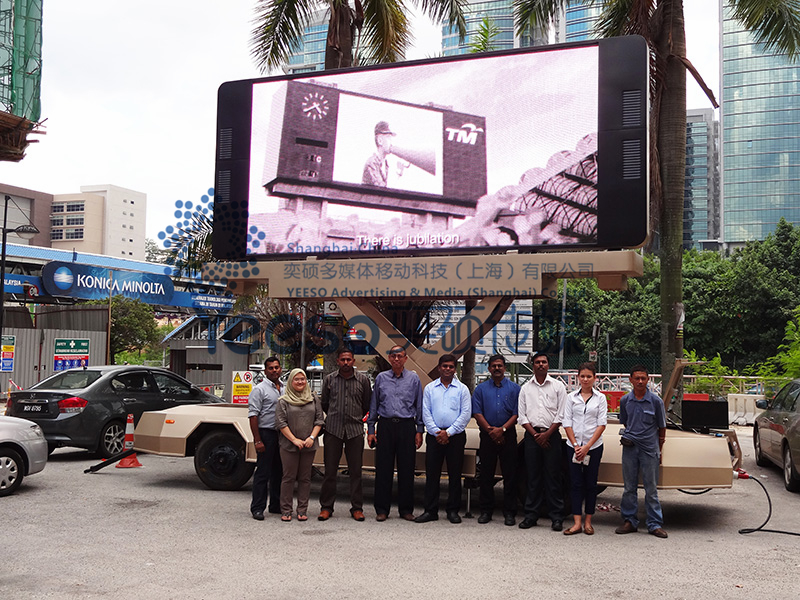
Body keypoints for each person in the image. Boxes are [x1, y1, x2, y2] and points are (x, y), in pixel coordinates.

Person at [367, 345, 423, 522]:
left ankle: (406, 509)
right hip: (385, 426)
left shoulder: (414, 379)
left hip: (407, 426)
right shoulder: (382, 378)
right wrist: (371, 429)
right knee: (383, 469)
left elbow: (419, 405)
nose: (397, 359)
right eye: (393, 356)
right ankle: (382, 509)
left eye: (400, 356)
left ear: (406, 359)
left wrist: (419, 430)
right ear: (389, 359)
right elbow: (374, 405)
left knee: (407, 469)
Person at [415, 354, 471, 524]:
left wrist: (449, 432)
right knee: (432, 474)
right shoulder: (430, 388)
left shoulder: (462, 389)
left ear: (455, 369)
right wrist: (437, 432)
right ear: (439, 368)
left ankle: (453, 511)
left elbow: (465, 414)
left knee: (455, 475)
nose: (448, 369)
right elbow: (426, 412)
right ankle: (430, 510)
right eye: (444, 366)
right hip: (434, 437)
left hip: (456, 437)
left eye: (451, 367)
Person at [318, 348, 372, 522]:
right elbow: (324, 404)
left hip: (355, 431)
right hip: (333, 430)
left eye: (349, 359)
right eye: (343, 360)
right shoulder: (329, 380)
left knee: (356, 471)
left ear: (353, 361)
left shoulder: (363, 381)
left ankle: (357, 508)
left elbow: (366, 404)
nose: (346, 362)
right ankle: (326, 507)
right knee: (330, 471)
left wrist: (355, 417)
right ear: (338, 361)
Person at [616, 365, 668, 538]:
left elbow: (662, 428)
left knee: (651, 488)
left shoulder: (656, 401)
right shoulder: (625, 401)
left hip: (649, 450)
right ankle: (629, 520)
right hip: (630, 449)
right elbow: (625, 422)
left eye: (643, 378)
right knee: (629, 487)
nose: (640, 381)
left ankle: (654, 524)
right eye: (636, 378)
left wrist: (658, 451)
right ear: (630, 380)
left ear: (648, 380)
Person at [517, 351, 568, 531]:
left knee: (553, 477)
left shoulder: (558, 387)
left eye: (544, 362)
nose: (540, 365)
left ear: (548, 365)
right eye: (537, 362)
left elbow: (562, 413)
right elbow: (522, 416)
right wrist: (536, 436)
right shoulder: (525, 388)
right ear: (533, 365)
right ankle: (531, 515)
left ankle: (556, 517)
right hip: (531, 437)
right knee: (533, 477)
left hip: (552, 436)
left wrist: (547, 435)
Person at [471, 354, 520, 526]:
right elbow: (477, 412)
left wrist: (502, 430)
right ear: (489, 369)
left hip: (508, 435)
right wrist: (491, 431)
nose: (497, 368)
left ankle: (509, 513)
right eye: (493, 366)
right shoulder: (480, 389)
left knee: (510, 475)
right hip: (487, 435)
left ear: (504, 368)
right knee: (486, 475)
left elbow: (516, 413)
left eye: (500, 365)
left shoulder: (515, 389)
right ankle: (486, 511)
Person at [562, 362, 607, 535]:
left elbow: (601, 424)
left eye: (589, 376)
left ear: (595, 378)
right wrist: (576, 445)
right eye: (582, 376)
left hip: (593, 447)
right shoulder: (571, 397)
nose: (586, 379)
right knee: (575, 484)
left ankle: (588, 521)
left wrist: (587, 447)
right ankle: (576, 522)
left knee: (590, 484)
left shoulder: (600, 398)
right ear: (578, 378)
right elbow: (567, 422)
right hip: (573, 447)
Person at [275, 368, 324, 522]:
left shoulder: (313, 399)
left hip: (309, 444)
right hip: (289, 445)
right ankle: (286, 510)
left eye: (302, 379)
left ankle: (302, 510)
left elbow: (319, 420)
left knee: (305, 478)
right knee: (288, 477)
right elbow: (280, 422)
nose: (300, 382)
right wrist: (294, 439)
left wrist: (311, 437)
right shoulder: (283, 401)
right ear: (290, 381)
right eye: (296, 379)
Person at [248, 356, 283, 520]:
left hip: (282, 434)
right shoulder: (259, 389)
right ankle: (257, 508)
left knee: (279, 471)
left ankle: (275, 505)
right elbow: (253, 415)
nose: (274, 370)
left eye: (277, 367)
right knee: (263, 472)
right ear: (265, 370)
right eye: (271, 368)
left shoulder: (284, 388)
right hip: (266, 433)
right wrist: (257, 440)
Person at [362, 121, 395, 187]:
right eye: (388, 137)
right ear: (380, 140)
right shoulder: (371, 163)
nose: (392, 142)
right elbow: (381, 188)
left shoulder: (385, 163)